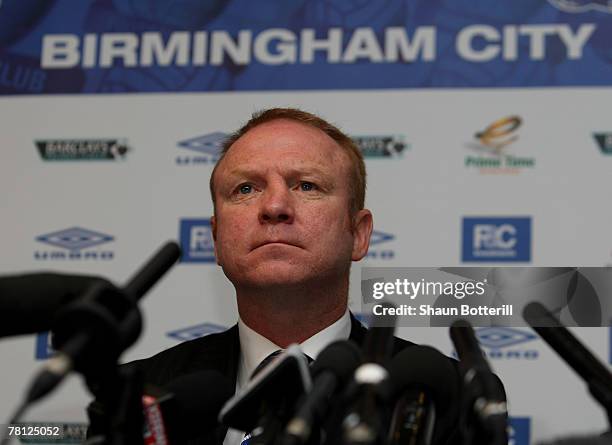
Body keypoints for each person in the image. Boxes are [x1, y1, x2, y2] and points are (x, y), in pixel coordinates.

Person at [89, 108, 461, 444]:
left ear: (359, 234)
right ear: (216, 240)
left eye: (306, 185)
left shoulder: (447, 398)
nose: (275, 206)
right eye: (246, 188)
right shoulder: (137, 399)